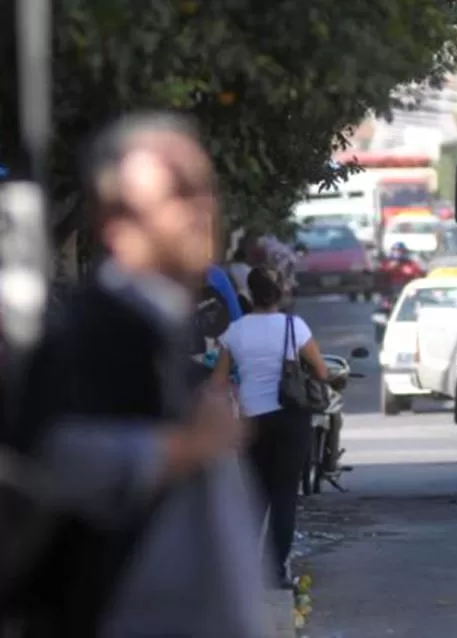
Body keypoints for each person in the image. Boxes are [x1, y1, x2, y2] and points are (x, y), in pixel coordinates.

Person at [13, 112, 271, 636]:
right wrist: (186, 447)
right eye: (178, 191)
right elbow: (48, 460)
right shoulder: (95, 332)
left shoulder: (162, 327)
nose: (201, 209)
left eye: (205, 189)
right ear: (115, 221)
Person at [212, 267, 329, 588]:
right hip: (290, 420)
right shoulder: (295, 326)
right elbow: (320, 371)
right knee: (284, 496)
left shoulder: (235, 331)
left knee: (254, 497)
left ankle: (246, 572)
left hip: (251, 424)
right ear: (278, 294)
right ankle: (277, 571)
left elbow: (218, 382)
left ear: (249, 295)